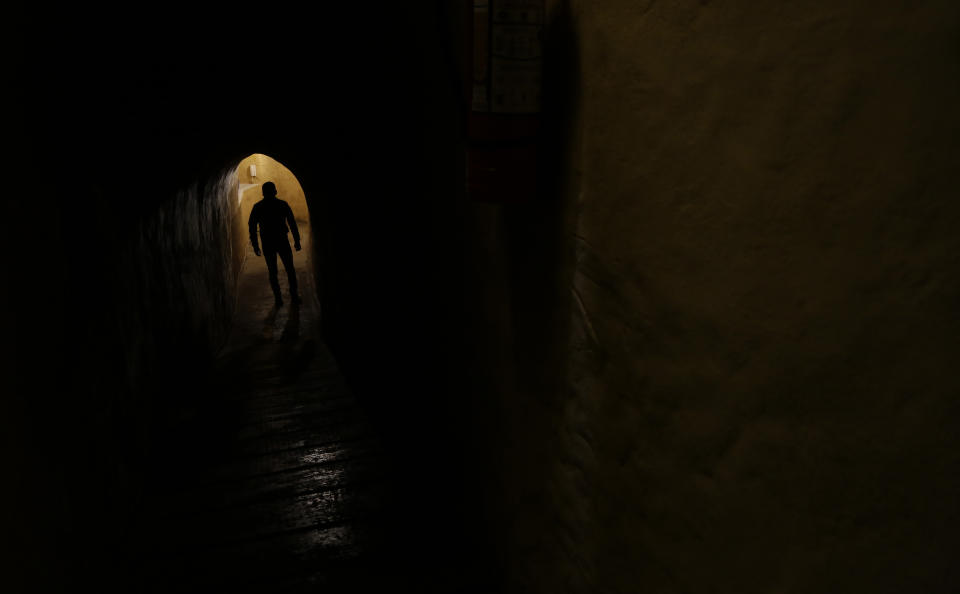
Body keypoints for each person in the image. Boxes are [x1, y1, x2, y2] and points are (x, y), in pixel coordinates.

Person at [248, 181, 301, 306]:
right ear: (275, 191)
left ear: (263, 193)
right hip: (282, 240)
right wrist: (297, 240)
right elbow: (292, 223)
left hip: (267, 242)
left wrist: (255, 245)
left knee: (273, 271)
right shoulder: (282, 205)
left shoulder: (258, 207)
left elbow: (252, 227)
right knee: (290, 269)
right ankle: (294, 296)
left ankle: (278, 299)